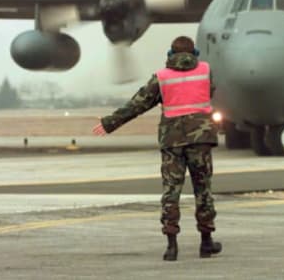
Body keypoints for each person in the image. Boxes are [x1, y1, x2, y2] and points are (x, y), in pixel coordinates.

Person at [92, 36, 222, 261]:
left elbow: (138, 104)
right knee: (203, 190)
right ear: (195, 53)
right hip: (201, 139)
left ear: (170, 54)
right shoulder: (205, 70)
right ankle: (206, 243)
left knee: (171, 192)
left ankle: (171, 247)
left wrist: (110, 122)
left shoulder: (161, 77)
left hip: (172, 142)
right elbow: (209, 91)